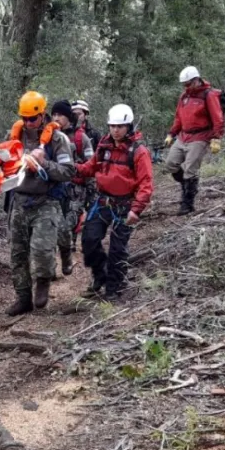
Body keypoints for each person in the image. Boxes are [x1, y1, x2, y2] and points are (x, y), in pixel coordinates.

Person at [6, 91, 76, 316]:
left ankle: (44, 280)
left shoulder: (58, 140)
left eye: (32, 119)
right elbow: (3, 159)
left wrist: (44, 164)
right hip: (19, 200)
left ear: (42, 115)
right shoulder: (15, 135)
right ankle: (23, 297)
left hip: (46, 201)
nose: (28, 123)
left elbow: (68, 171)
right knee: (17, 254)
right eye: (24, 119)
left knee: (43, 250)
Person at [75, 104, 153, 302]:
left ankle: (114, 288)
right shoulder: (104, 145)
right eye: (112, 126)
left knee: (118, 249)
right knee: (89, 240)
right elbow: (91, 167)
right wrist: (72, 170)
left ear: (129, 126)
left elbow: (146, 183)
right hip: (102, 201)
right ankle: (100, 276)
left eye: (120, 127)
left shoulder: (138, 151)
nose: (115, 130)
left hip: (125, 205)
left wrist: (136, 210)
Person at [162, 66, 225, 215]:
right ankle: (186, 184)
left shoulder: (208, 95)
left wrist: (217, 137)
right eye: (184, 84)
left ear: (196, 80)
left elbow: (218, 117)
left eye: (188, 84)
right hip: (183, 136)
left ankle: (187, 202)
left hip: (200, 137)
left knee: (190, 170)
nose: (186, 87)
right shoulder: (184, 97)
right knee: (171, 164)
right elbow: (179, 117)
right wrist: (171, 134)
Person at [51, 100, 93, 272]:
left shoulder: (81, 138)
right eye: (54, 114)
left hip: (76, 190)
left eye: (60, 115)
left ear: (69, 117)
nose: (56, 118)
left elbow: (91, 165)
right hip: (54, 189)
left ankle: (66, 255)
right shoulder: (48, 136)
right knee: (52, 225)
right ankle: (51, 265)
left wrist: (92, 192)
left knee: (67, 226)